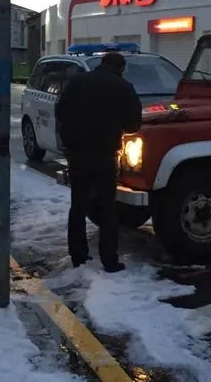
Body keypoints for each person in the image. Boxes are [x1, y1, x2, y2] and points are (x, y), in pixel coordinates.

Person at [55, 52, 142, 273]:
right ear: (121, 68)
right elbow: (133, 125)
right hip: (105, 155)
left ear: (101, 64)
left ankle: (78, 256)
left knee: (78, 205)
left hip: (76, 153)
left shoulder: (77, 81)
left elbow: (60, 111)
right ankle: (109, 261)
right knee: (107, 208)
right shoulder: (123, 87)